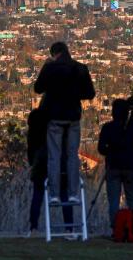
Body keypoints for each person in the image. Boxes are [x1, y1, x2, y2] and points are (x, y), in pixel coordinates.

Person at [33, 41, 95, 206]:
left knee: (54, 156)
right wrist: (74, 95)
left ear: (54, 54)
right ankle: (73, 193)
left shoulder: (50, 68)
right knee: (72, 155)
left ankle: (54, 195)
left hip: (54, 118)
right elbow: (90, 93)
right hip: (73, 117)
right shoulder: (80, 68)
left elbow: (38, 88)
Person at [97, 98, 133, 228]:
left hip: (113, 166)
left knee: (114, 201)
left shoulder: (107, 128)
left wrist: (111, 151)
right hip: (131, 167)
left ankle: (116, 228)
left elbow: (101, 148)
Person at [26, 107, 73, 235]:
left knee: (38, 195)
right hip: (58, 162)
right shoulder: (56, 124)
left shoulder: (34, 127)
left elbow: (31, 148)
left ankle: (33, 227)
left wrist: (33, 163)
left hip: (40, 164)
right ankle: (69, 227)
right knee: (64, 194)